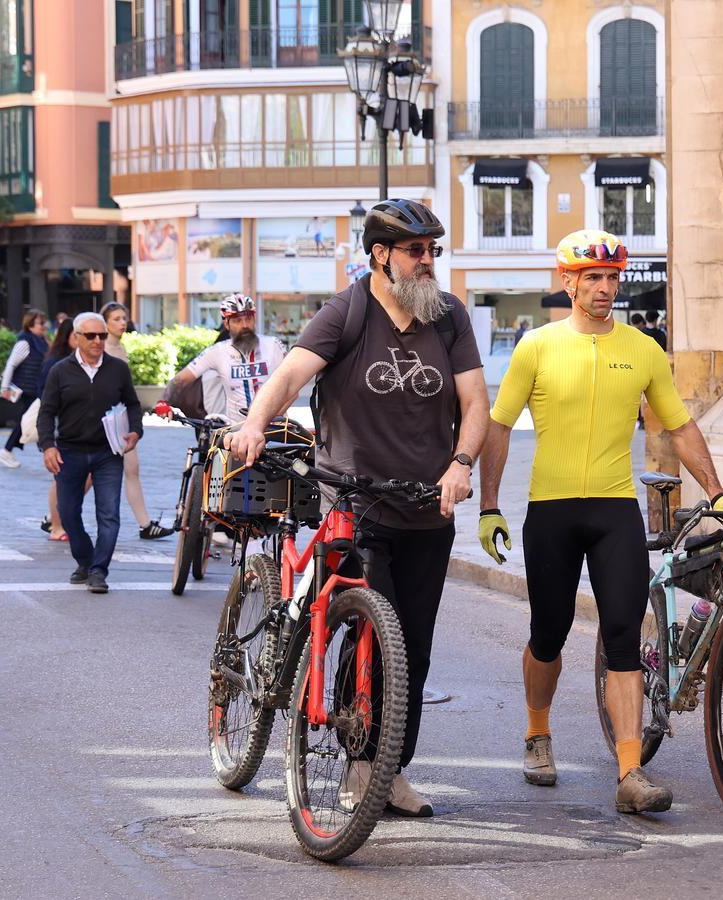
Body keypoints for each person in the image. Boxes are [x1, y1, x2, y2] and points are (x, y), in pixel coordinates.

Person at [222, 198, 489, 818]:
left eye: (433, 251)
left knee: (413, 649)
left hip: (428, 503)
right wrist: (256, 424)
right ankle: (359, 762)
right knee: (373, 624)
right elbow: (289, 375)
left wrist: (461, 464)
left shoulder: (448, 318)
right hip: (356, 500)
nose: (428, 262)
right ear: (381, 255)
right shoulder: (348, 311)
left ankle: (389, 768)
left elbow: (476, 402)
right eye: (416, 251)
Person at [477, 229, 723, 816]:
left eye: (612, 278)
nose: (605, 288)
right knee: (548, 633)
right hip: (550, 510)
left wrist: (719, 493)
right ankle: (537, 732)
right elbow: (498, 426)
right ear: (567, 282)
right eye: (593, 278)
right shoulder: (536, 347)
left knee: (624, 635)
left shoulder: (643, 349)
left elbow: (676, 425)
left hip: (613, 510)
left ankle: (630, 772)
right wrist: (489, 504)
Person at [37, 312, 142, 594]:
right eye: (91, 336)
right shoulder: (60, 371)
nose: (98, 341)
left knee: (109, 514)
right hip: (69, 452)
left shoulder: (118, 369)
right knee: (68, 512)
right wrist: (48, 446)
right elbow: (46, 412)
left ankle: (98, 571)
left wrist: (135, 431)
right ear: (77, 337)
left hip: (109, 453)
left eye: (102, 336)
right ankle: (85, 560)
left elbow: (133, 404)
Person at [100, 302, 173, 539]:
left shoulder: (119, 347)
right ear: (105, 323)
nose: (123, 323)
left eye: (124, 318)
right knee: (88, 475)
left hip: (119, 418)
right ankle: (57, 515)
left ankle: (145, 524)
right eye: (116, 319)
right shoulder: (101, 348)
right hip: (103, 421)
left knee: (132, 468)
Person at [168, 293, 284, 423]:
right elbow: (180, 379)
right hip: (235, 430)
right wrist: (163, 402)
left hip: (274, 427)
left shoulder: (273, 345)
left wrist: (272, 416)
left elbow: (292, 386)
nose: (245, 325)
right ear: (227, 324)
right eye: (237, 321)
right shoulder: (217, 351)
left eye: (248, 319)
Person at [33, 318, 80, 542]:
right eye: (78, 336)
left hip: (79, 429)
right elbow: (46, 402)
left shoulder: (82, 362)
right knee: (61, 479)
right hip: (59, 429)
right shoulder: (55, 364)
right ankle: (56, 525)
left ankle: (58, 517)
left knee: (77, 477)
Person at [0, 309, 50, 469]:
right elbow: (11, 364)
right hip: (26, 389)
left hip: (35, 388)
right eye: (40, 323)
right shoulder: (25, 342)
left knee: (30, 420)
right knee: (29, 421)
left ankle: (9, 450)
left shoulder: (42, 341)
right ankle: (7, 450)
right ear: (30, 325)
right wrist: (4, 387)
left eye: (44, 323)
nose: (43, 326)